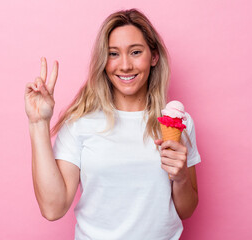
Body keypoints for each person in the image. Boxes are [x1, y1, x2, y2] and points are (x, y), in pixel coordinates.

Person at [24, 8, 201, 240]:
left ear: (154, 56)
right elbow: (52, 208)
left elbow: (186, 210)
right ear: (103, 62)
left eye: (136, 52)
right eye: (113, 54)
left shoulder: (180, 124)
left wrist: (181, 178)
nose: (125, 65)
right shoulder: (79, 123)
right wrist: (38, 123)